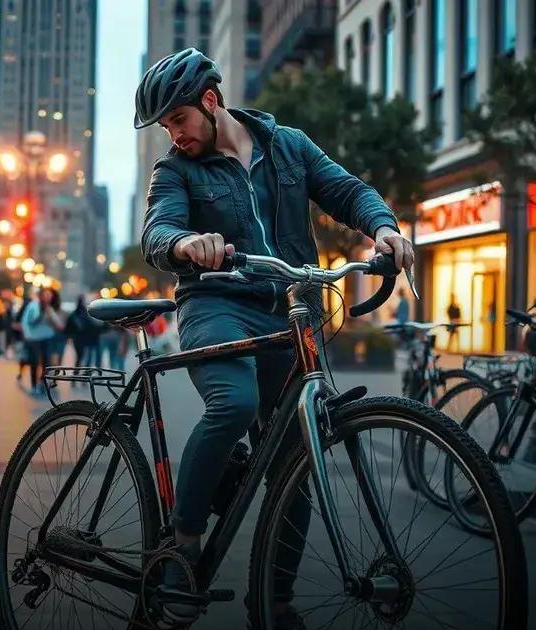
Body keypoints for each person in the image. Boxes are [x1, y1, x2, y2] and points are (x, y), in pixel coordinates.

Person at [136, 48, 414, 626]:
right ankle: (184, 544)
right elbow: (158, 229)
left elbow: (347, 191)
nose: (175, 135)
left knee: (297, 456)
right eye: (166, 127)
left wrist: (384, 227)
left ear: (210, 102)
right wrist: (186, 245)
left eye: (178, 121)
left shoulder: (289, 144)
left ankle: (277, 600)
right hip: (216, 304)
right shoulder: (175, 170)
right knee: (234, 402)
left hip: (292, 311)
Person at [20, 288, 65, 395]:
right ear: (41, 296)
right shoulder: (33, 306)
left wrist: (51, 316)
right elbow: (27, 321)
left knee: (46, 362)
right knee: (34, 361)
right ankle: (34, 385)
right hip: (34, 338)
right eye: (46, 295)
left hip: (47, 338)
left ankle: (42, 383)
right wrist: (27, 335)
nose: (48, 297)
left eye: (50, 295)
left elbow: (59, 325)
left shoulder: (50, 309)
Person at [65, 295, 104, 367]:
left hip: (84, 339)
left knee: (82, 358)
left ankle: (78, 373)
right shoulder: (83, 314)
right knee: (84, 358)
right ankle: (81, 373)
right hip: (83, 339)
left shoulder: (78, 314)